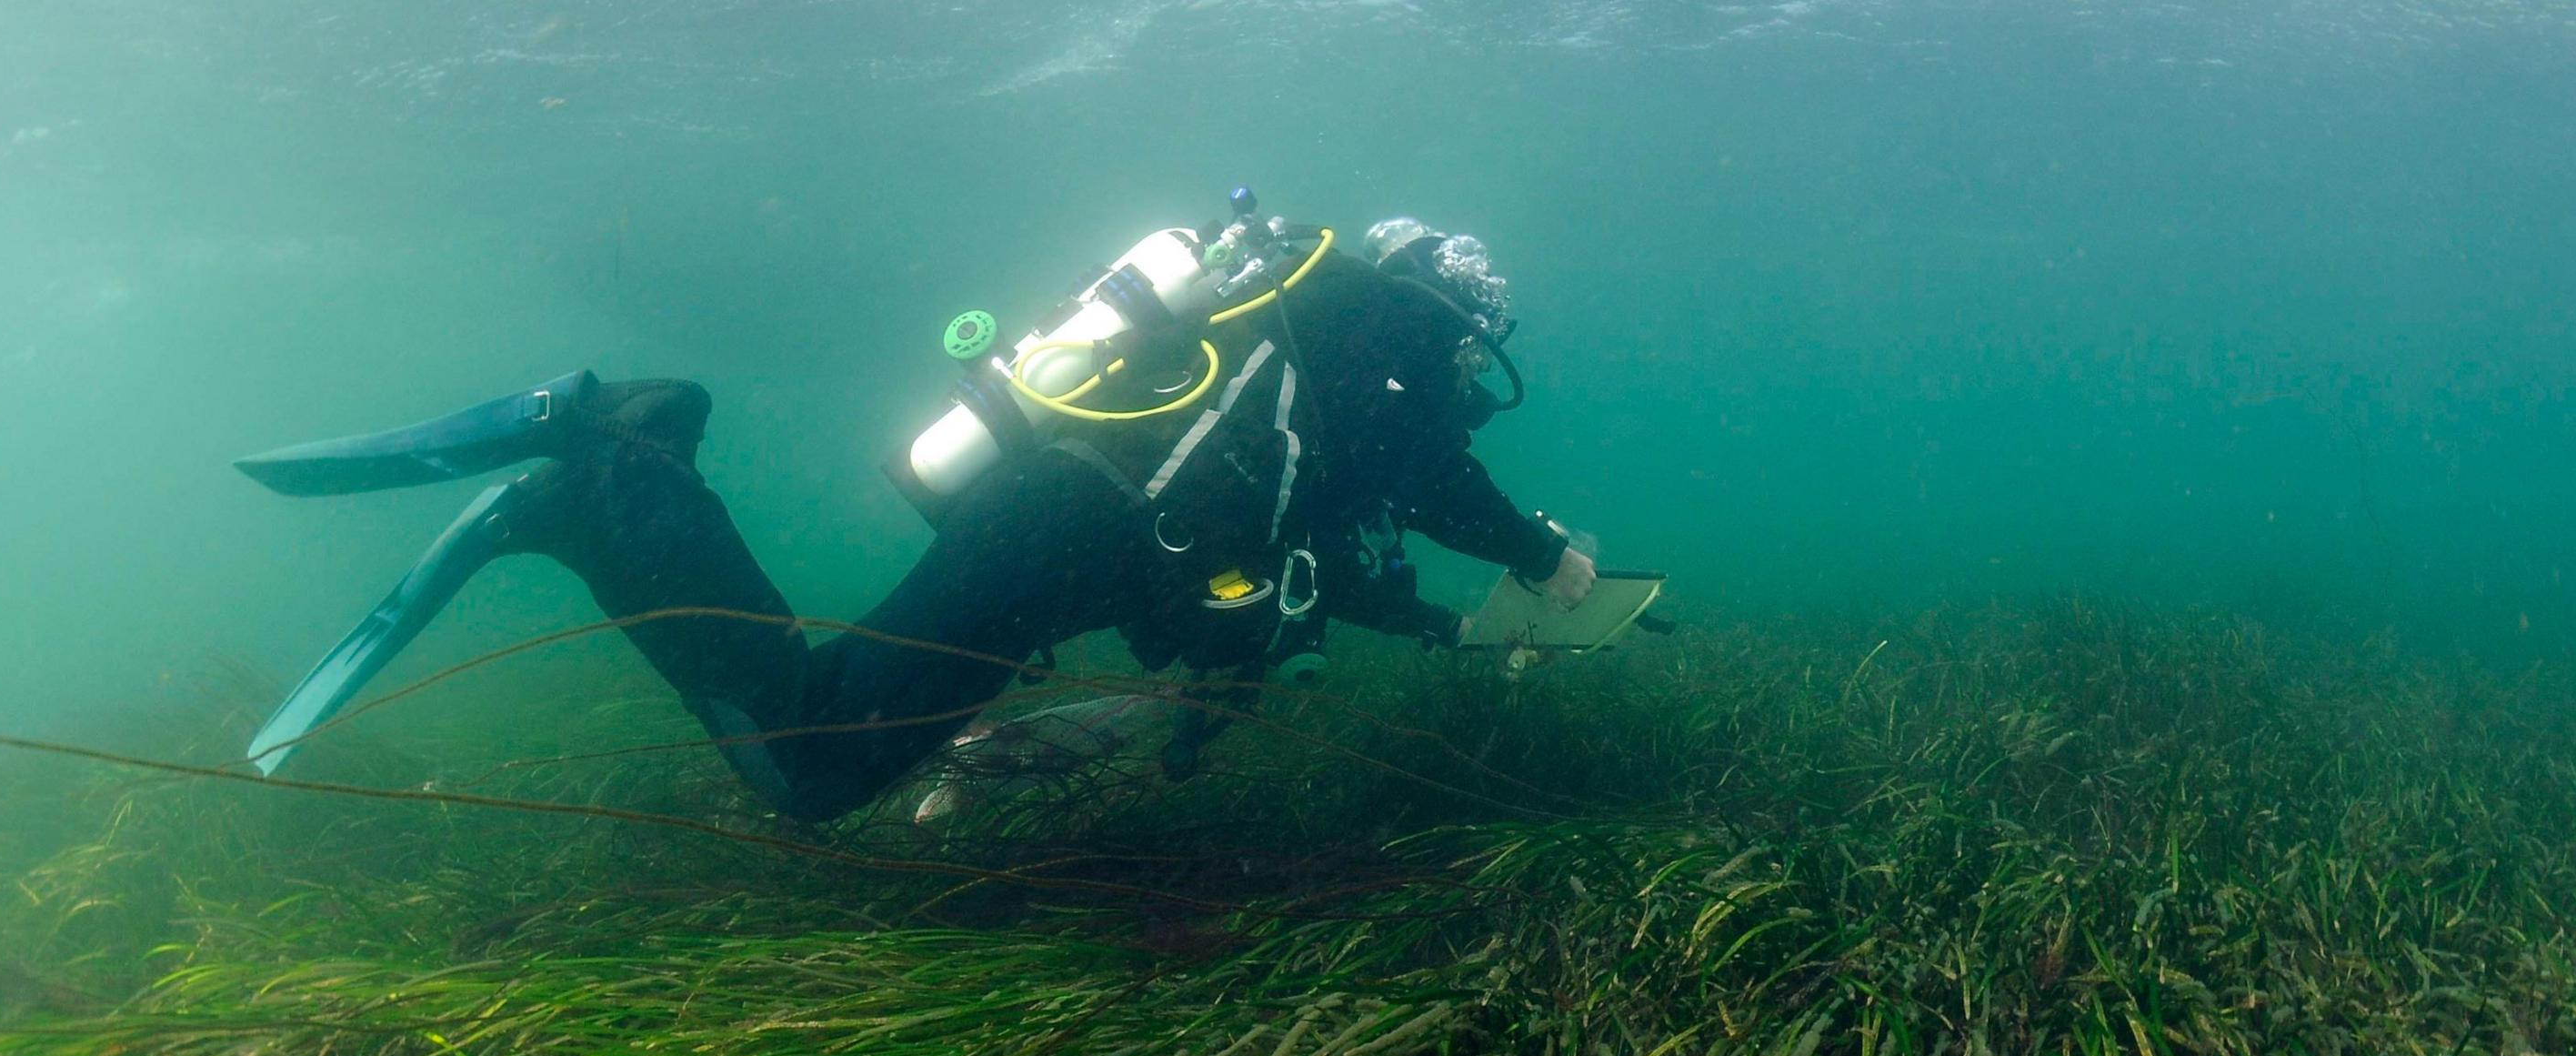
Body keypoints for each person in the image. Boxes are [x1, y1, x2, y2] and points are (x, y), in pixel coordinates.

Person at [236, 209, 1597, 820]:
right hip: (1066, 531)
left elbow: (1322, 567)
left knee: (834, 738)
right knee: (813, 765)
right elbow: (1437, 479)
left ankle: (587, 484)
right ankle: (610, 464)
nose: (1472, 384)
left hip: (1057, 518)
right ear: (1445, 322)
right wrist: (1552, 559)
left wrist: (1452, 632)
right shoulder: (1385, 362)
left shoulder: (1305, 370)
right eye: (1474, 356)